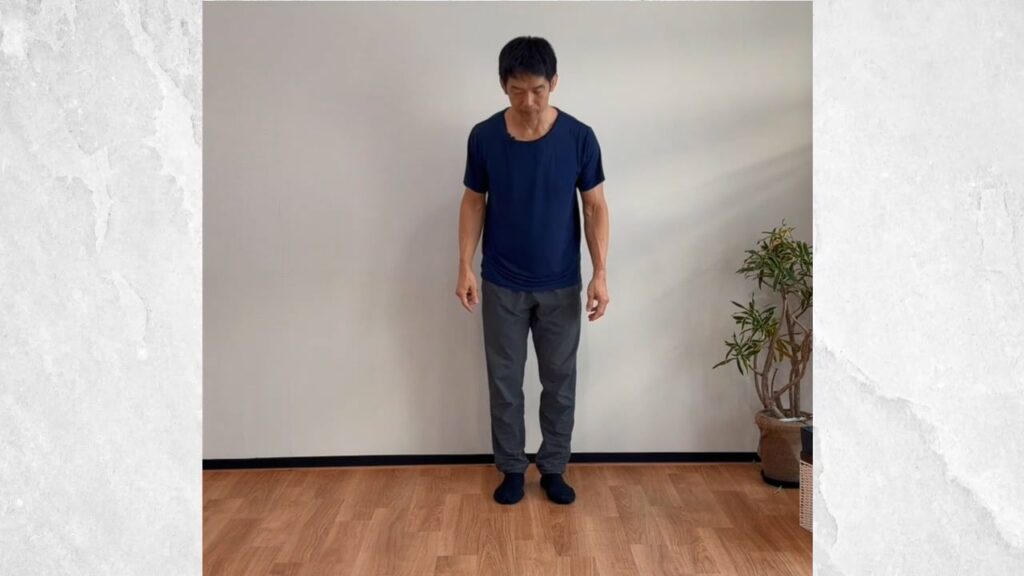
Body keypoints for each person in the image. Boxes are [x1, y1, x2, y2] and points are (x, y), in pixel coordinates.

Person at [455, 36, 610, 506]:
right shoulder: (484, 136)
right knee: (504, 382)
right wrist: (464, 265)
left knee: (559, 382)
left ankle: (554, 467)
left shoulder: (579, 137)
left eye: (538, 90)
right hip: (502, 281)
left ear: (554, 83)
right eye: (517, 90)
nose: (528, 101)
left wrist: (600, 273)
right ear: (503, 86)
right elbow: (473, 201)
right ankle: (511, 468)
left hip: (560, 283)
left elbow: (595, 207)